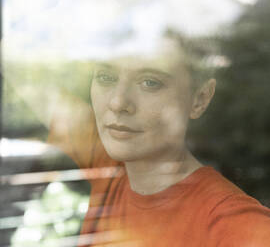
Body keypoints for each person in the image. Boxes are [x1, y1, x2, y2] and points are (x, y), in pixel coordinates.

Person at [48, 32, 270, 247]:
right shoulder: (109, 169)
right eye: (106, 77)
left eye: (150, 82)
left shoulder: (232, 224)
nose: (117, 102)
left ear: (200, 99)